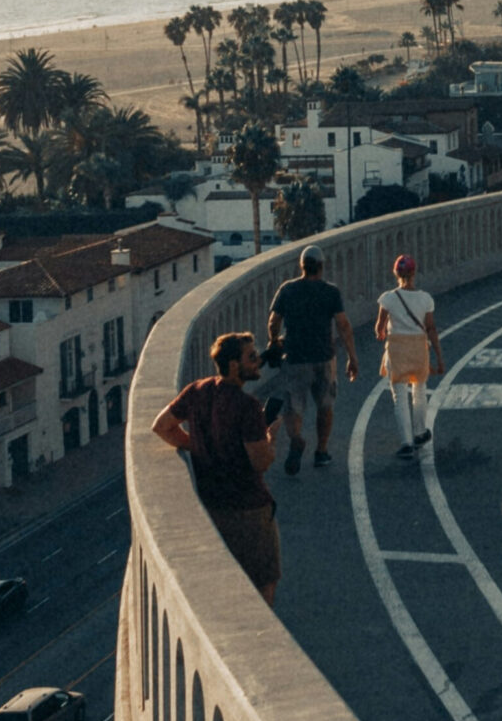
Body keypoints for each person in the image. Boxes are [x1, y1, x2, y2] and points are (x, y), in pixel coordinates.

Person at [152, 332, 279, 602]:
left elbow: (161, 426)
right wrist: (270, 440)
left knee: (226, 583)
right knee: (264, 583)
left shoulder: (198, 390)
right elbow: (261, 462)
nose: (259, 361)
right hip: (249, 509)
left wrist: (197, 445)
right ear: (234, 365)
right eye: (252, 357)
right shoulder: (248, 407)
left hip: (211, 504)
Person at [261, 245, 358, 474]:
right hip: (325, 356)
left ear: (301, 266)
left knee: (293, 405)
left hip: (295, 357)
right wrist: (352, 357)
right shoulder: (330, 292)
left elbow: (273, 321)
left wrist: (274, 341)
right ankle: (321, 451)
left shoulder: (287, 289)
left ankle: (296, 438)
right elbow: (343, 325)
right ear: (322, 267)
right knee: (325, 405)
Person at [374, 254, 444, 460]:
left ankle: (406, 443)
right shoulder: (425, 299)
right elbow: (431, 329)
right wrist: (439, 358)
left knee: (399, 397)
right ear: (414, 273)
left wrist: (382, 331)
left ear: (395, 273)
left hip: (397, 349)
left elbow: (379, 329)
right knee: (420, 391)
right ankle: (420, 432)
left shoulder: (387, 298)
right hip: (418, 348)